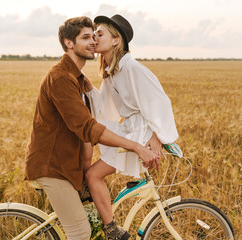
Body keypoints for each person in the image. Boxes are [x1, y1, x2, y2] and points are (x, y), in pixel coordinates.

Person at [24, 16, 159, 240]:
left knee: (85, 224)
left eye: (94, 36)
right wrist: (135, 146)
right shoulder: (61, 78)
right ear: (69, 43)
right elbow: (87, 128)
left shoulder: (77, 78)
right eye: (86, 37)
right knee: (80, 231)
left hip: (67, 166)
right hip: (53, 168)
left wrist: (154, 133)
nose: (93, 42)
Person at [84, 14, 179, 240]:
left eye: (100, 33)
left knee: (93, 175)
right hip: (130, 129)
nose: (95, 38)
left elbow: (161, 101)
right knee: (90, 168)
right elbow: (105, 106)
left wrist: (158, 137)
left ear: (116, 40)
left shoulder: (132, 68)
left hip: (140, 132)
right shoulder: (112, 71)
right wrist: (88, 88)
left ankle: (111, 229)